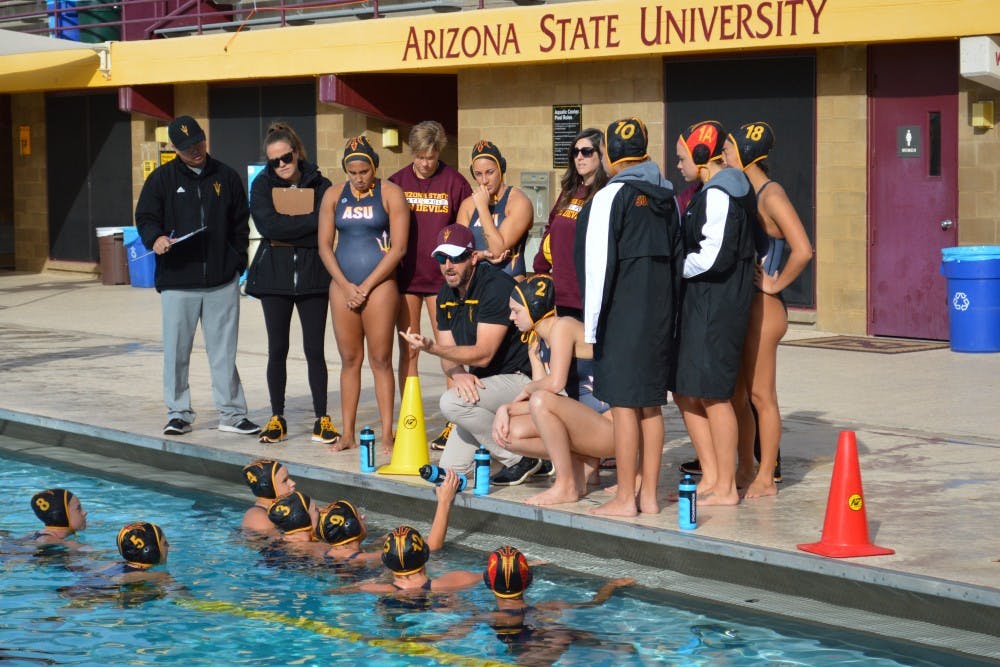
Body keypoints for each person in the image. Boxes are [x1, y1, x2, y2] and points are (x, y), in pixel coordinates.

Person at [576, 117, 681, 517]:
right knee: (651, 406)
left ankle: (625, 498)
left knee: (623, 407)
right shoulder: (666, 195)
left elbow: (598, 268)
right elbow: (677, 258)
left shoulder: (610, 196)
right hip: (658, 314)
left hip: (620, 316)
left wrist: (591, 328)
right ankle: (649, 497)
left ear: (609, 155)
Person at [135, 115, 259, 437]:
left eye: (199, 143)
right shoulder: (161, 180)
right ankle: (179, 413)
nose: (196, 151)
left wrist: (236, 264)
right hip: (179, 282)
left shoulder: (226, 176)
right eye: (188, 148)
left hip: (221, 280)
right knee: (177, 352)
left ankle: (232, 414)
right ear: (175, 148)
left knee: (224, 353)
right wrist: (156, 239)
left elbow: (239, 224)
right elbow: (146, 217)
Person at [399, 224, 541, 487]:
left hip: (521, 380)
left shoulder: (495, 287)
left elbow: (483, 354)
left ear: (473, 257)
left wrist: (431, 348)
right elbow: (449, 354)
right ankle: (526, 457)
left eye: (456, 257)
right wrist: (457, 372)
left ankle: (521, 458)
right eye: (442, 258)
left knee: (451, 403)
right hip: (485, 384)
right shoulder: (446, 294)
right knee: (450, 471)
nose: (448, 265)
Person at [723, 122, 813, 498]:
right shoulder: (746, 191)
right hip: (747, 306)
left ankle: (766, 476)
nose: (723, 156)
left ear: (744, 152)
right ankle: (745, 466)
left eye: (727, 149)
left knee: (762, 397)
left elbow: (803, 248)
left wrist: (775, 283)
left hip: (766, 307)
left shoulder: (770, 194)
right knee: (738, 396)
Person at [672, 120, 756, 507]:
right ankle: (712, 474)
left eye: (682, 157)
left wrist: (674, 265)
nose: (678, 165)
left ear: (702, 155)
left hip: (717, 305)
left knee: (715, 395)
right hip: (701, 303)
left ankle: (726, 486)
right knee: (686, 391)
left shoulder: (722, 192)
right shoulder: (712, 190)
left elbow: (714, 256)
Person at [246, 122, 337, 445]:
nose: (281, 165)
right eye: (274, 161)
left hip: (314, 276)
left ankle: (321, 417)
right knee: (278, 349)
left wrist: (291, 226)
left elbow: (329, 222)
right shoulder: (261, 186)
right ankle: (277, 415)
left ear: (296, 153)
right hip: (275, 278)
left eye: (286, 158)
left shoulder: (321, 183)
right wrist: (307, 225)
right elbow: (268, 226)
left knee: (315, 350)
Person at [318, 135, 409, 453]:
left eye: (364, 171)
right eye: (353, 172)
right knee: (349, 360)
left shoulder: (390, 193)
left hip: (380, 286)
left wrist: (367, 286)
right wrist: (345, 286)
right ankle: (347, 434)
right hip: (343, 287)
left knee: (381, 359)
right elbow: (324, 247)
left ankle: (387, 432)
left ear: (374, 167)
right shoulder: (332, 195)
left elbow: (398, 248)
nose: (358, 178)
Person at [491, 276, 615, 506]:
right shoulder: (539, 340)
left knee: (539, 401)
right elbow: (544, 401)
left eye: (516, 311)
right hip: (588, 424)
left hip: (612, 429)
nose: (511, 317)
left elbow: (555, 384)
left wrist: (516, 399)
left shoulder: (563, 327)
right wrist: (505, 409)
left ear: (533, 308)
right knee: (508, 433)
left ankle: (566, 484)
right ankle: (582, 461)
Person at [389, 121, 473, 450]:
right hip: (407, 279)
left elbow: (467, 229)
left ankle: (455, 422)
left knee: (447, 349)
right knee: (409, 350)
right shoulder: (397, 182)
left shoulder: (454, 182)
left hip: (443, 281)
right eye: (420, 156)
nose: (425, 163)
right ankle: (411, 419)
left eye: (432, 156)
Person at [533, 128, 610, 319]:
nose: (579, 157)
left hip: (587, 295)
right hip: (560, 293)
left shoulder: (606, 192)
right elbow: (551, 226)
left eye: (586, 151)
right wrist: (540, 265)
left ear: (601, 155)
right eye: (575, 152)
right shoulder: (570, 191)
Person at [457, 140, 533, 279]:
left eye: (490, 172)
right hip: (476, 286)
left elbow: (497, 250)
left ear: (501, 168)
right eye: (478, 174)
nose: (484, 180)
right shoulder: (467, 206)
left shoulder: (518, 202)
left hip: (509, 285)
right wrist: (481, 255)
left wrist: (482, 208)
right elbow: (458, 253)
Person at [357, 524, 480, 594]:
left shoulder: (369, 587)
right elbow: (491, 574)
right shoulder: (455, 581)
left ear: (386, 561)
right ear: (425, 554)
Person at [241, 459, 297, 536]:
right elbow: (281, 546)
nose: (293, 483)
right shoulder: (258, 517)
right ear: (268, 488)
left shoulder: (281, 509)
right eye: (284, 480)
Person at [266, 491, 329, 558]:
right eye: (315, 509)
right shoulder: (321, 549)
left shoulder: (276, 542)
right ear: (305, 518)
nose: (320, 511)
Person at [316, 499, 381, 563]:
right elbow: (387, 555)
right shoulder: (362, 558)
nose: (363, 517)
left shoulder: (327, 554)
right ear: (351, 526)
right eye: (359, 516)